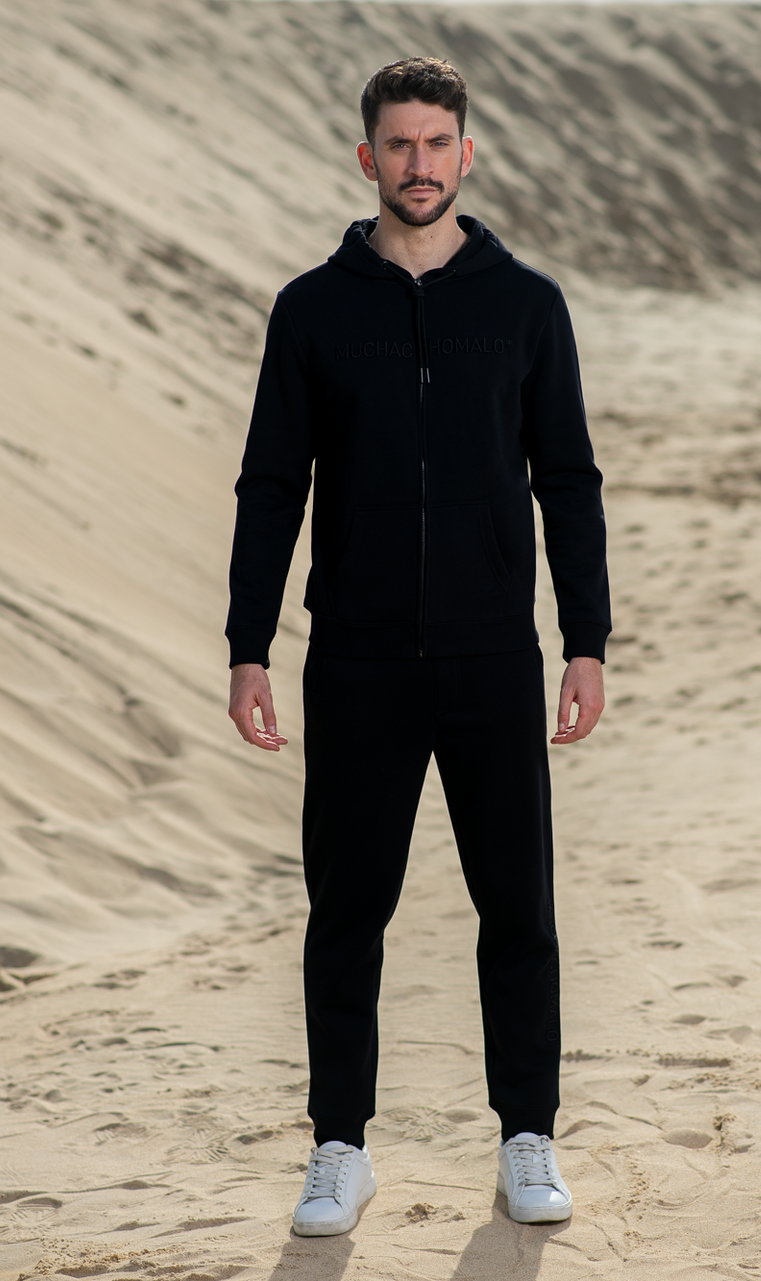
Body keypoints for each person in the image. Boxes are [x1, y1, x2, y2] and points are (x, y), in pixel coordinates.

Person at [226, 56, 610, 1236]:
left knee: (519, 908)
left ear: (467, 155)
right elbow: (271, 485)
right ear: (367, 159)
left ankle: (526, 1136)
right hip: (357, 657)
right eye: (399, 144)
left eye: (438, 143)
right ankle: (339, 1148)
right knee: (347, 913)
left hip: (493, 654)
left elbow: (568, 479)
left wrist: (585, 640)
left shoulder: (527, 306)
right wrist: (249, 646)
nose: (420, 163)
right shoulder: (314, 309)